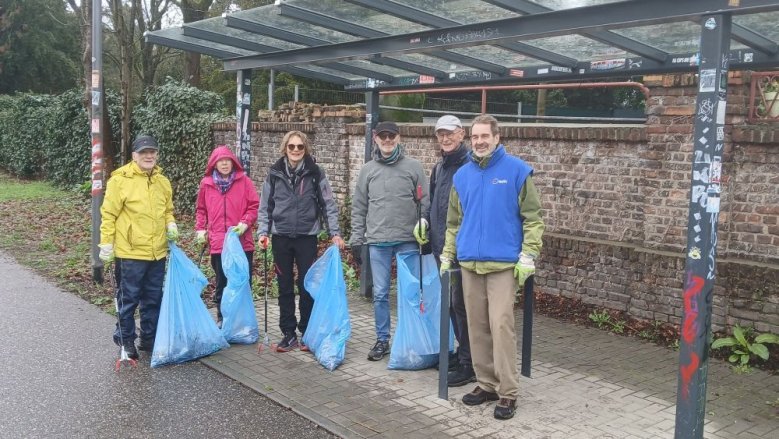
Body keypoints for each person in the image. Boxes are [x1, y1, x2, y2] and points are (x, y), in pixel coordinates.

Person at [440, 115, 544, 420]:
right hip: (470, 263)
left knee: (501, 326)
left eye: (485, 136)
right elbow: (454, 222)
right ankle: (486, 383)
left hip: (502, 264)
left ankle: (508, 391)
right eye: (475, 137)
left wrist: (528, 254)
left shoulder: (517, 171)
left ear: (497, 138)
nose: (480, 141)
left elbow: (533, 218)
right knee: (476, 327)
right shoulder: (462, 176)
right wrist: (448, 254)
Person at [257, 130, 344, 353]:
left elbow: (328, 204)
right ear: (285, 148)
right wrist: (263, 232)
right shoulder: (274, 172)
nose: (295, 150)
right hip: (281, 236)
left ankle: (307, 332)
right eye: (291, 146)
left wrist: (335, 233)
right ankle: (288, 334)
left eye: (300, 147)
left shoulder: (315, 173)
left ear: (305, 149)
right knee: (284, 286)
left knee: (307, 286)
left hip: (307, 236)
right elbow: (265, 205)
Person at [350, 121, 429, 361]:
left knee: (410, 293)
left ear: (398, 138)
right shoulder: (368, 170)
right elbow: (359, 207)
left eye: (391, 136)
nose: (387, 140)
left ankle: (412, 339)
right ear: (375, 138)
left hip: (407, 241)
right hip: (378, 241)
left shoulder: (414, 167)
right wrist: (356, 238)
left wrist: (423, 223)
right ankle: (382, 340)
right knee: (380, 293)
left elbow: (425, 202)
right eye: (383, 136)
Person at [99, 134, 178, 360]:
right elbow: (109, 214)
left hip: (157, 252)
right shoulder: (120, 180)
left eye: (152, 152)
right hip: (130, 253)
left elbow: (167, 210)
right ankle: (126, 341)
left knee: (153, 298)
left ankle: (149, 339)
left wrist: (170, 223)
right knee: (128, 299)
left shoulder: (162, 181)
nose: (149, 156)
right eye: (144, 153)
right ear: (134, 156)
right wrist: (107, 243)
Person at [413, 115, 475, 387]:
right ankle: (462, 354)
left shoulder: (471, 167)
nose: (445, 138)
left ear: (462, 134)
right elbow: (432, 201)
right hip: (441, 248)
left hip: (462, 251)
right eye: (441, 134)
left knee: (462, 306)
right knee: (451, 304)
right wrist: (424, 220)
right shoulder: (439, 168)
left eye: (450, 133)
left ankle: (470, 363)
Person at [195, 145, 260, 327]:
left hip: (241, 242)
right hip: (218, 243)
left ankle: (242, 320)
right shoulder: (206, 184)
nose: (224, 164)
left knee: (242, 282)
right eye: (220, 161)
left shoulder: (244, 182)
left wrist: (245, 223)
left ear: (233, 163)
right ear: (214, 164)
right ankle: (222, 318)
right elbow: (201, 209)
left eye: (227, 161)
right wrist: (200, 229)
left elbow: (254, 206)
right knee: (222, 281)